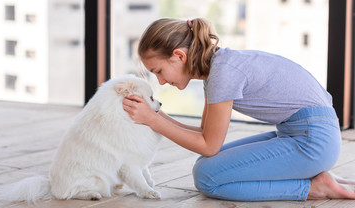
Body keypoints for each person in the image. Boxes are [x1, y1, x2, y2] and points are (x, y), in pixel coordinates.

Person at [122, 17, 355, 201]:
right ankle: (312, 174)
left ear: (179, 56)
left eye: (158, 71)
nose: (161, 82)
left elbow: (209, 145)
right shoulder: (218, 67)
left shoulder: (223, 73)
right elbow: (205, 134)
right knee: (206, 163)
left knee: (207, 177)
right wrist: (156, 115)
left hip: (313, 141)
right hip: (306, 134)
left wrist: (153, 122)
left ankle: (314, 188)